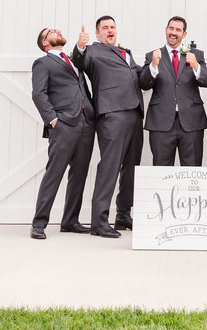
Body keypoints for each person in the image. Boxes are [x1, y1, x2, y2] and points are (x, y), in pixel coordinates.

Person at [73, 15, 143, 237]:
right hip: (112, 114)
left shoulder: (126, 53)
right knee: (110, 166)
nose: (110, 30)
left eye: (113, 27)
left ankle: (123, 214)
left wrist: (154, 67)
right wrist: (80, 46)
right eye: (105, 28)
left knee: (131, 167)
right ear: (98, 33)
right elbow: (80, 61)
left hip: (134, 113)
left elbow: (140, 76)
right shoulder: (92, 51)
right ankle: (99, 222)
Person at [30, 26, 95, 239]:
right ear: (45, 43)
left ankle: (70, 221)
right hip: (64, 124)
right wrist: (53, 120)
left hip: (86, 122)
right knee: (54, 173)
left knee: (79, 174)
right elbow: (39, 94)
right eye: (50, 31)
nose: (57, 31)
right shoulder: (43, 62)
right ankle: (39, 223)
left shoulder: (73, 60)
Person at [139, 15, 207, 165]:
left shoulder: (196, 55)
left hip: (191, 123)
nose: (173, 32)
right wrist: (153, 65)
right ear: (166, 30)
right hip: (161, 123)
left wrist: (195, 66)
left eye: (178, 30)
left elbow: (206, 81)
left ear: (184, 34)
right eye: (171, 28)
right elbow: (144, 84)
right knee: (161, 172)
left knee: (192, 172)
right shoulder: (152, 55)